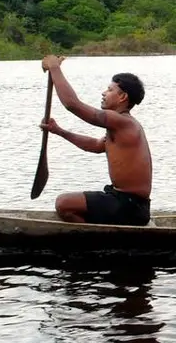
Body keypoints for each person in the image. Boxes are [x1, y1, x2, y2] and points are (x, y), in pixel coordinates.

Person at [38, 55, 153, 226]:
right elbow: (96, 146)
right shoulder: (120, 124)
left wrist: (55, 68)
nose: (104, 93)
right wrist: (59, 131)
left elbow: (72, 104)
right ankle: (100, 231)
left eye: (109, 90)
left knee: (64, 204)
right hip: (124, 201)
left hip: (130, 205)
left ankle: (90, 238)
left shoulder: (123, 122)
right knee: (68, 203)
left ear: (122, 97)